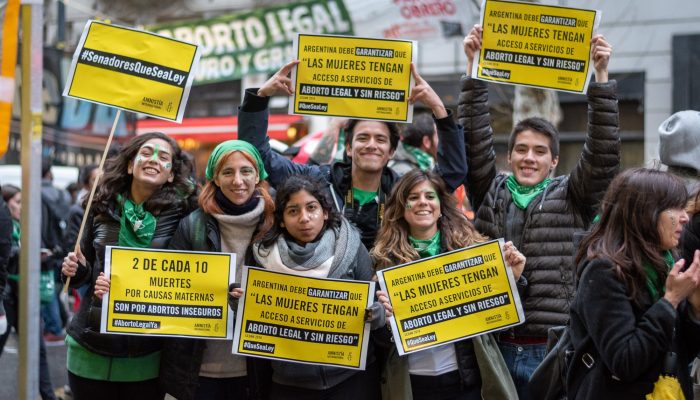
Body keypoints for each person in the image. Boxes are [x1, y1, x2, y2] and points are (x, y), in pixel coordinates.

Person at [459, 25, 620, 397]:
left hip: (548, 349)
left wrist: (601, 77)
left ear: (554, 161)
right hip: (493, 344)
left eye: (539, 151)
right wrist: (473, 66)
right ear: (510, 154)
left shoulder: (572, 195)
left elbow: (603, 154)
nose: (529, 157)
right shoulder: (491, 190)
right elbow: (472, 139)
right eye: (521, 149)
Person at [238, 60, 467, 250]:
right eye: (362, 138)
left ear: (391, 151)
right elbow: (257, 156)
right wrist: (261, 97)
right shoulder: (318, 182)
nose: (371, 145)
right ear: (348, 147)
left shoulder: (403, 190)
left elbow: (452, 172)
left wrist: (438, 108)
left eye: (380, 139)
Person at [60, 132, 197, 400]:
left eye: (164, 157)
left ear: (170, 174)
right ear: (130, 164)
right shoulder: (99, 206)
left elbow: (191, 272)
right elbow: (80, 274)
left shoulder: (185, 213)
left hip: (145, 352)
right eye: (146, 153)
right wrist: (75, 271)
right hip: (89, 345)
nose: (154, 159)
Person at [227, 174, 386, 399]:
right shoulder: (262, 255)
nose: (304, 218)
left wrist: (377, 314)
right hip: (290, 384)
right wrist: (239, 303)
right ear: (281, 219)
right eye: (293, 211)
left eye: (311, 208)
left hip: (351, 380)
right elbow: (254, 316)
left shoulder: (351, 247)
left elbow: (376, 303)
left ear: (325, 212)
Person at [373, 169, 525, 400]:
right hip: (412, 383)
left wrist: (512, 280)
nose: (422, 202)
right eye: (413, 197)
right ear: (402, 208)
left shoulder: (469, 251)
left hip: (464, 381)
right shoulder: (382, 261)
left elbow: (497, 322)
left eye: (429, 196)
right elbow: (380, 343)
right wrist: (382, 318)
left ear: (441, 205)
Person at [159, 140, 274, 400]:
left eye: (246, 171)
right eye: (227, 172)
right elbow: (170, 292)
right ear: (215, 178)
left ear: (258, 176)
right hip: (200, 367)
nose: (238, 180)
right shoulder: (192, 226)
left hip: (257, 368)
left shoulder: (276, 223)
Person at [570, 168, 700, 399]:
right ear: (645, 213)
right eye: (675, 208)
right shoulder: (603, 272)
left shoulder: (667, 263)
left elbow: (681, 354)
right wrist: (670, 301)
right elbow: (625, 361)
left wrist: (695, 310)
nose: (685, 217)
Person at [0, 184, 58, 400]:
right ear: (5, 203)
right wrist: (21, 253)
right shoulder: (5, 223)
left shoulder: (24, 225)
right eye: (17, 201)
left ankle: (48, 395)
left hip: (25, 291)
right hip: (7, 295)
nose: (22, 206)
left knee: (37, 348)